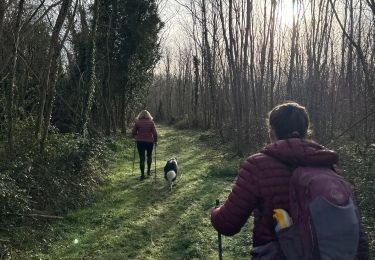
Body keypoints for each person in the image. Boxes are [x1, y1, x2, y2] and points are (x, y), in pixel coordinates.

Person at [210, 102, 368, 260]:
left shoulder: (258, 165)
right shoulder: (327, 164)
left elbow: (227, 224)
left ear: (272, 132)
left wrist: (215, 211)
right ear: (305, 131)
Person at [132, 110, 158, 180]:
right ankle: (148, 171)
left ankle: (142, 175)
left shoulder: (138, 122)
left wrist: (136, 136)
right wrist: (155, 141)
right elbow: (155, 133)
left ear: (140, 115)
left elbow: (133, 132)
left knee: (142, 158)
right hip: (149, 142)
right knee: (149, 156)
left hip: (140, 142)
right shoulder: (151, 122)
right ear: (148, 115)